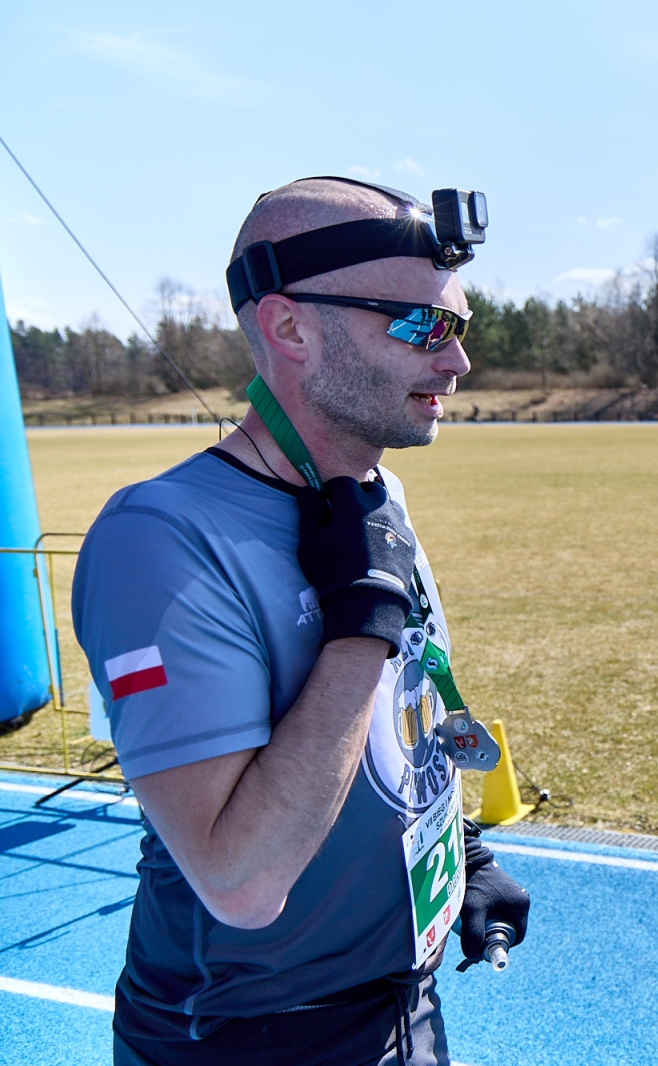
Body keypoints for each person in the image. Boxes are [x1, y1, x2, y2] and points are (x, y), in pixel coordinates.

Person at [72, 177, 530, 1066]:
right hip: (249, 1038)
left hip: (404, 1006)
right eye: (422, 325)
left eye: (459, 326)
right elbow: (240, 881)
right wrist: (359, 627)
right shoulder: (160, 540)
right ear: (289, 328)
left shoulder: (370, 493)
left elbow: (394, 714)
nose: (457, 361)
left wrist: (458, 848)